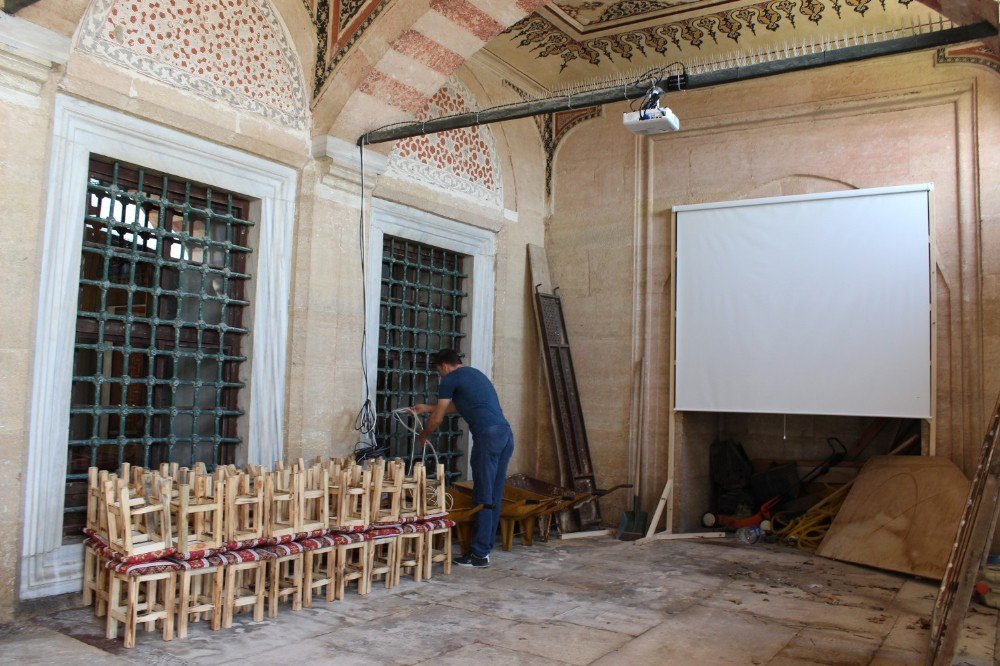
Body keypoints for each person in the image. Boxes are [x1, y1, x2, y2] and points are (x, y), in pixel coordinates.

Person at [410, 349, 513, 568]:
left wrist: (423, 435)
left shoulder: (450, 379)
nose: (441, 375)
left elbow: (437, 419)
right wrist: (426, 407)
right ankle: (484, 549)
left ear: (444, 366)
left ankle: (478, 555)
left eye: (439, 371)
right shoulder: (473, 374)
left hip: (487, 437)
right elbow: (459, 406)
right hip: (504, 434)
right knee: (494, 493)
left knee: (483, 495)